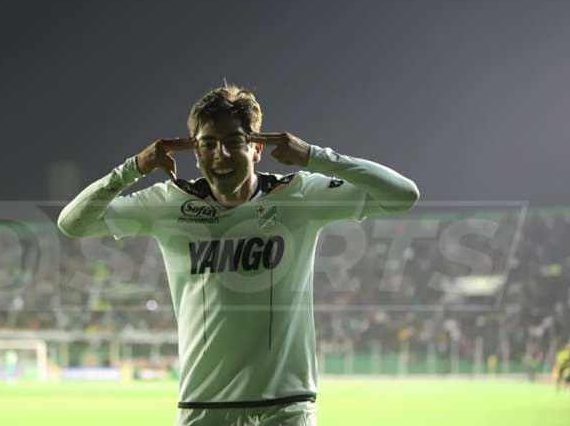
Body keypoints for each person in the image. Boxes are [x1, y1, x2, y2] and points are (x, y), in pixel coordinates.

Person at [58, 83, 419, 425]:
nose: (222, 154)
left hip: (287, 407)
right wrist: (133, 168)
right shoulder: (169, 203)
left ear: (257, 148)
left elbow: (403, 195)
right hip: (203, 407)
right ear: (195, 152)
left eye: (235, 141)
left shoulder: (298, 196)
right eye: (208, 143)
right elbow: (73, 223)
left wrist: (314, 156)